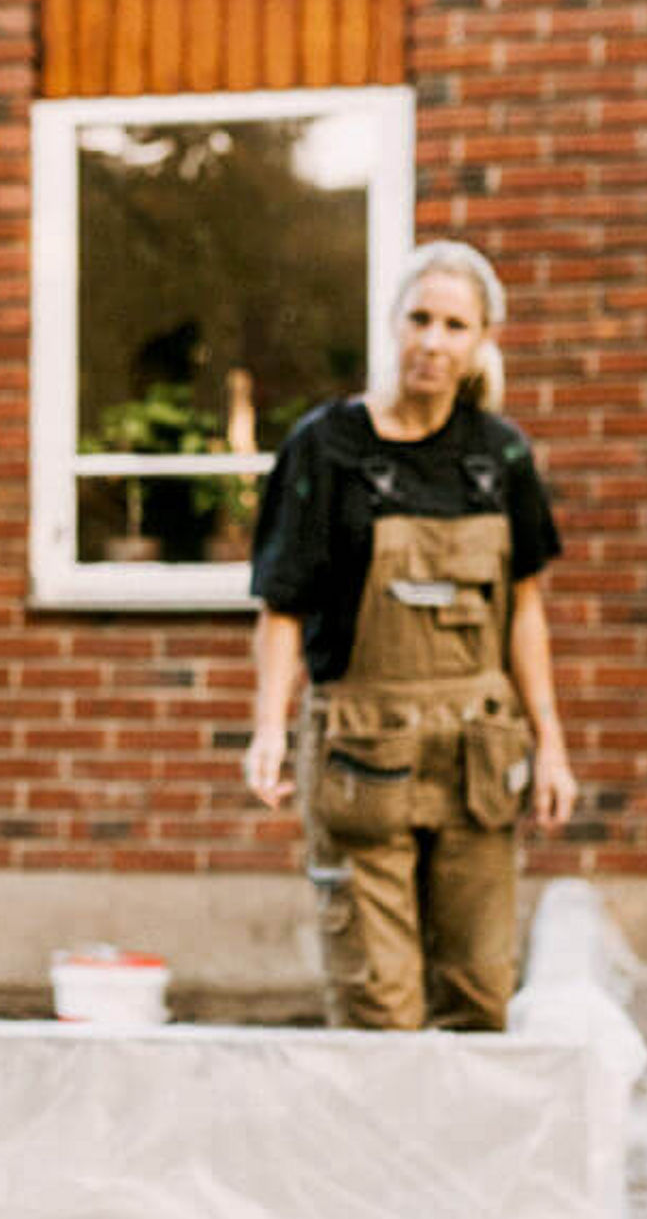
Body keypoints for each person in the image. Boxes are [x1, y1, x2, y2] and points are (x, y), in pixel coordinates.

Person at [243, 240, 579, 1031]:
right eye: (419, 318)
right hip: (363, 747)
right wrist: (268, 725)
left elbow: (525, 609)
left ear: (480, 343)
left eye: (454, 325)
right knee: (378, 1003)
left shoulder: (500, 456)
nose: (432, 340)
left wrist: (551, 741)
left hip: (478, 752)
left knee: (479, 992)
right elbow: (282, 606)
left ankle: (460, 1157)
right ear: (391, 325)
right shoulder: (326, 449)